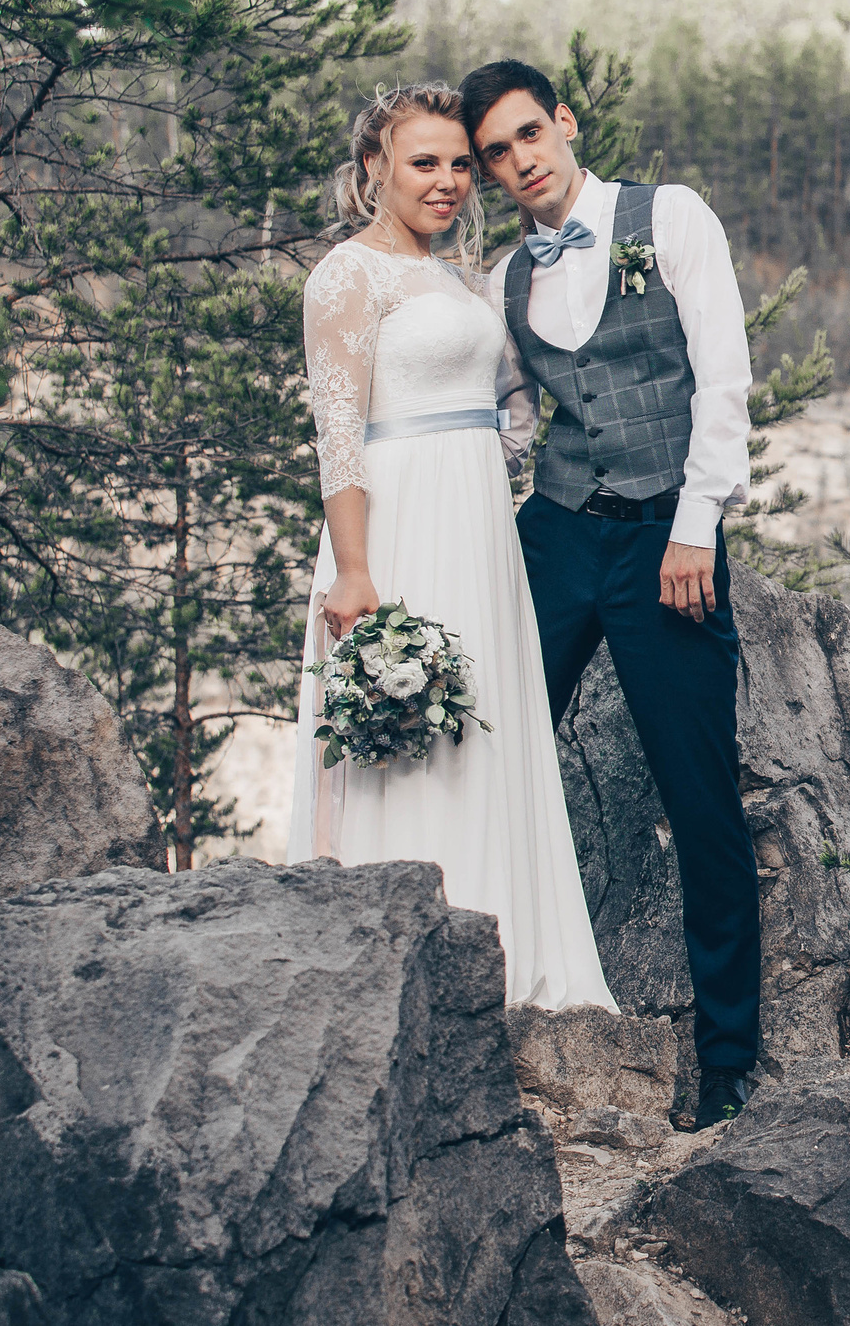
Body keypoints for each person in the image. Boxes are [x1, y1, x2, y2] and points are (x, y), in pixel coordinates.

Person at [461, 58, 759, 1128]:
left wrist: (695, 527)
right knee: (493, 760)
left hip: (661, 541)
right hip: (554, 537)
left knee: (699, 797)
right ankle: (484, 1015)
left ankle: (728, 1064)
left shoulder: (668, 216)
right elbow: (514, 421)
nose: (518, 162)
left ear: (566, 124)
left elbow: (723, 380)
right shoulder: (506, 279)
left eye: (528, 135)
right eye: (496, 152)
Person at [285, 83, 617, 1014]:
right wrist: (354, 571)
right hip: (395, 524)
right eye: (423, 162)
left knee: (488, 729)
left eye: (460, 164)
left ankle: (514, 956)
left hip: (478, 532)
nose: (447, 182)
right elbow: (339, 436)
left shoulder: (463, 280)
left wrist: (505, 472)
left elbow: (513, 403)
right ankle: (408, 978)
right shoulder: (348, 277)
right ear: (374, 171)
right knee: (410, 739)